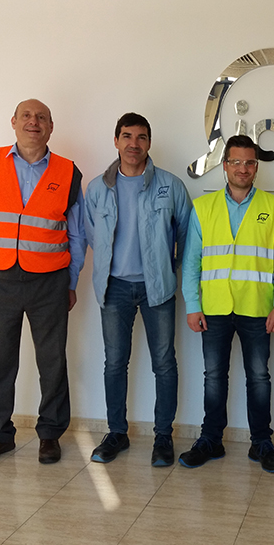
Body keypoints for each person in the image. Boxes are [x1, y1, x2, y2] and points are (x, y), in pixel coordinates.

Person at [0, 99, 87, 466]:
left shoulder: (68, 172)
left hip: (49, 281)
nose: (34, 122)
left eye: (42, 117)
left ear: (51, 127)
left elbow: (77, 235)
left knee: (52, 361)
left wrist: (71, 282)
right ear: (14, 122)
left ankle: (50, 435)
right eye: (27, 116)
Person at [84, 113, 192, 467]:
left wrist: (168, 267)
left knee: (164, 363)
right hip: (114, 288)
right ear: (116, 141)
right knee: (115, 363)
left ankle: (163, 437)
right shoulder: (97, 189)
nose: (134, 143)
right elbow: (92, 234)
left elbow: (186, 235)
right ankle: (117, 433)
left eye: (141, 137)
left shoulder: (170, 186)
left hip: (157, 288)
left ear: (149, 142)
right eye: (127, 136)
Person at [180, 134, 274, 473]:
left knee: (259, 377)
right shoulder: (203, 207)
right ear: (225, 166)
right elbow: (191, 262)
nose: (243, 168)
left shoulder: (273, 208)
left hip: (258, 308)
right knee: (214, 376)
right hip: (213, 308)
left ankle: (261, 443)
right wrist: (192, 305)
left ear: (256, 167)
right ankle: (211, 440)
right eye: (236, 162)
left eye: (249, 162)